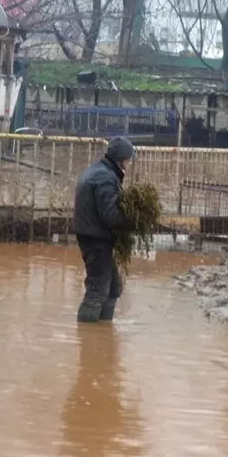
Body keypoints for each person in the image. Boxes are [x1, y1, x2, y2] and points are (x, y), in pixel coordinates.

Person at [72, 136, 136, 322]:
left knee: (113, 288)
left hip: (94, 235)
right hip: (95, 239)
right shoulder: (105, 178)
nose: (129, 163)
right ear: (121, 159)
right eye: (128, 159)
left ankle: (103, 333)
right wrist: (133, 221)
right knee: (97, 290)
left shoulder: (100, 170)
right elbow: (110, 215)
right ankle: (88, 339)